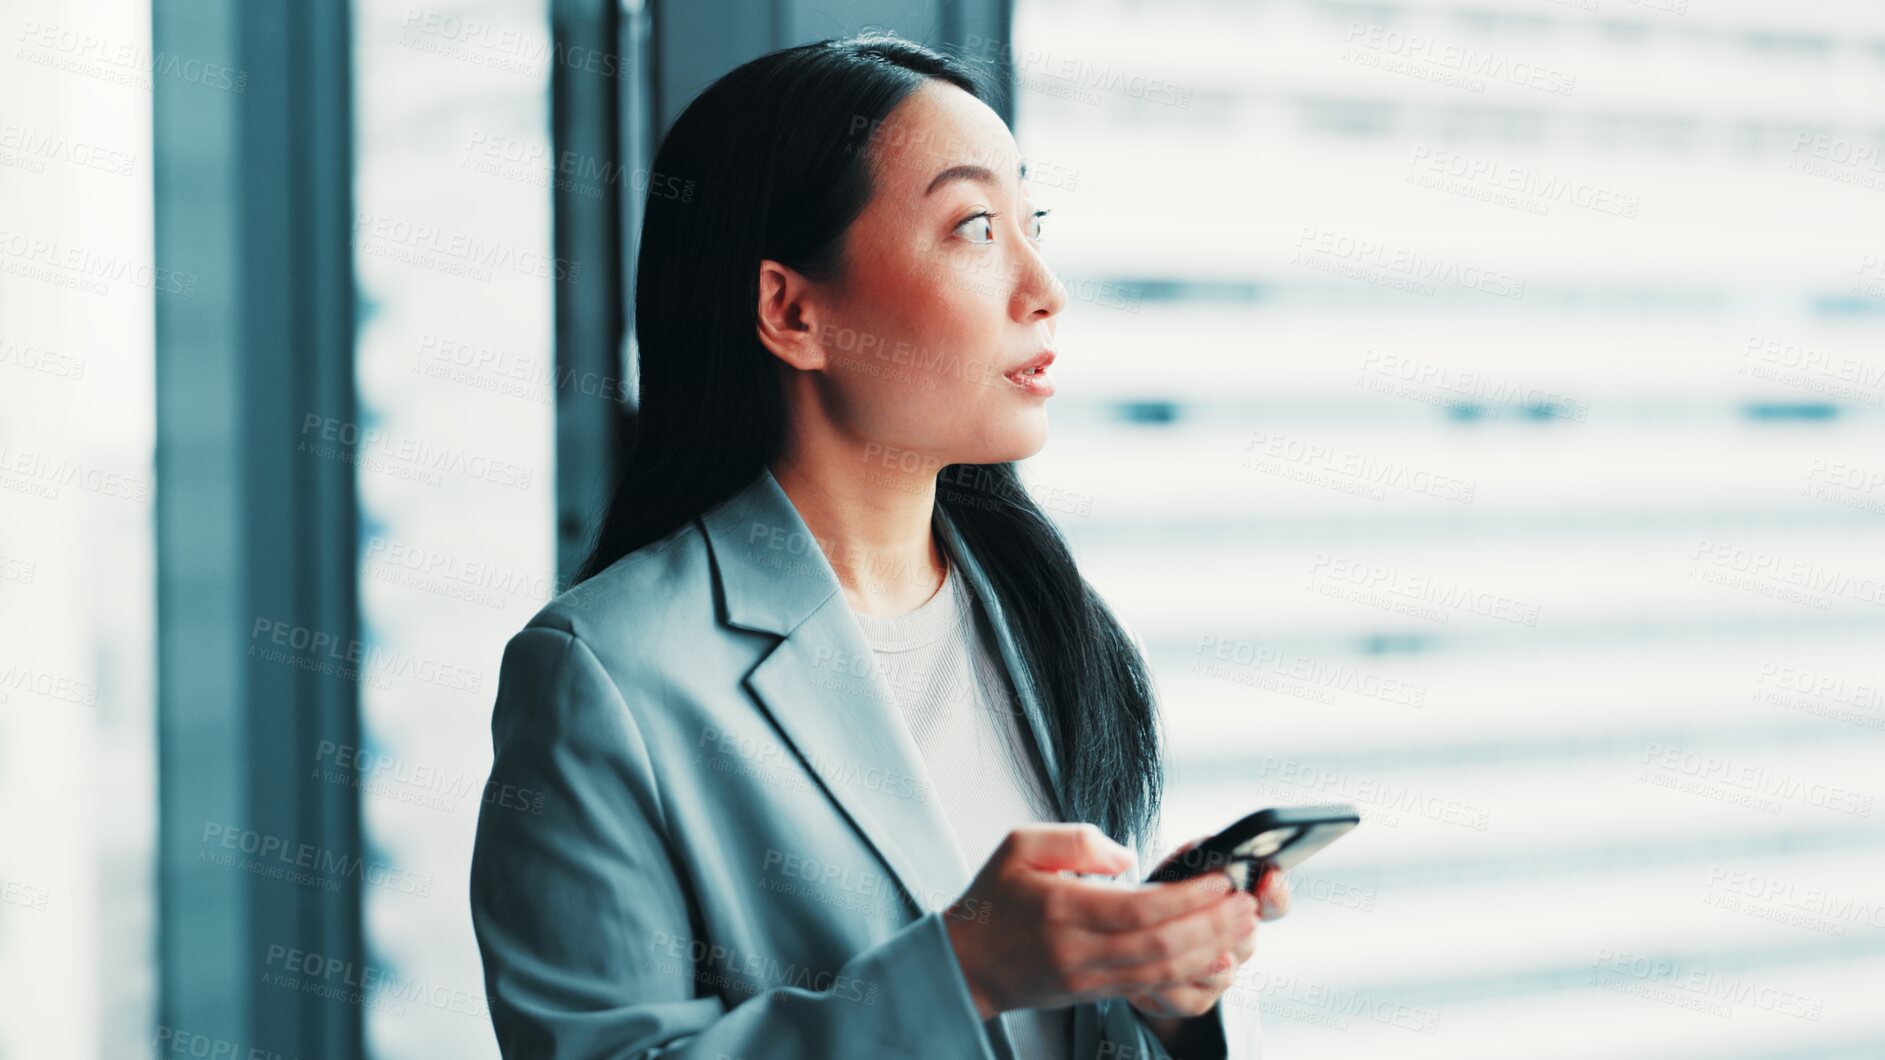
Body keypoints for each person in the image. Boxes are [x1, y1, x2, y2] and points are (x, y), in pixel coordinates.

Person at [468, 33, 1288, 1060]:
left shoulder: (1040, 613)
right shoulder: (605, 675)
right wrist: (964, 971)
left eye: (1034, 224)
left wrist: (1169, 995)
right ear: (791, 309)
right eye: (977, 228)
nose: (1043, 286)